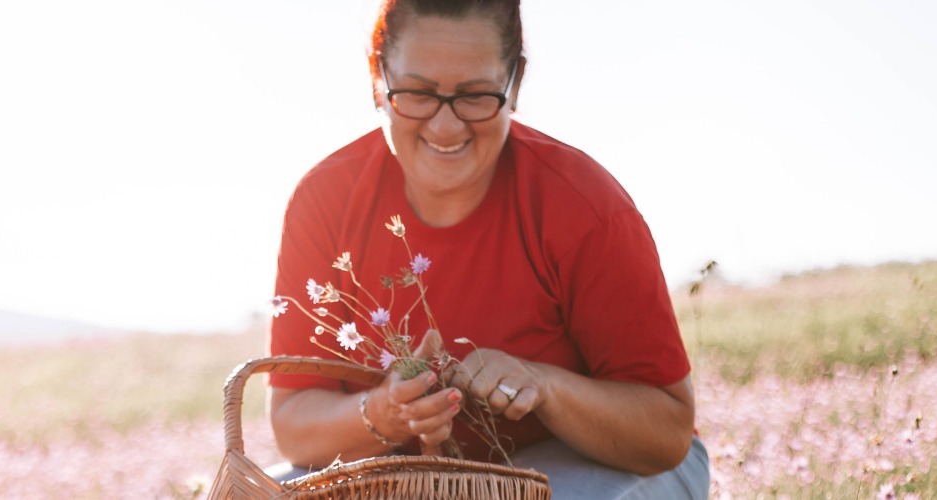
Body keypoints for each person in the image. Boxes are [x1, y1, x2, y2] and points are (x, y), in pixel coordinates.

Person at [263, 0, 709, 497]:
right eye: (416, 93)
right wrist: (385, 414)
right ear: (377, 78)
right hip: (410, 477)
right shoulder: (323, 200)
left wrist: (544, 386)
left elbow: (666, 435)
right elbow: (292, 422)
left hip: (600, 466)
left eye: (475, 96)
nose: (446, 126)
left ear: (515, 83)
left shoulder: (584, 206)